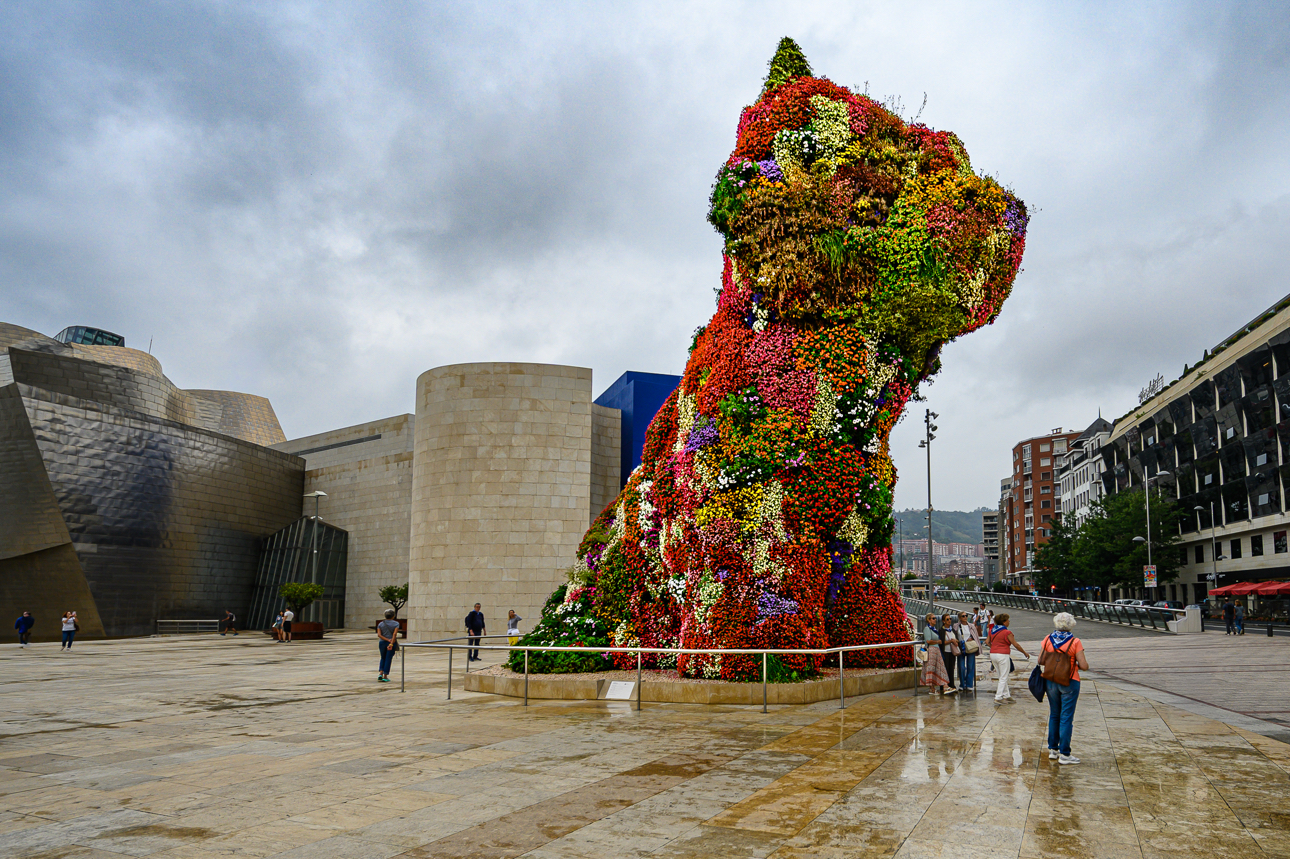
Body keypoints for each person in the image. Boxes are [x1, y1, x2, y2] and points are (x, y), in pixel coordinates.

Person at [1042, 612, 1089, 765]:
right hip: (1069, 681)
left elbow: (1041, 660)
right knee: (1066, 717)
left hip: (1051, 681)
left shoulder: (1048, 639)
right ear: (1071, 624)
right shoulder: (1075, 642)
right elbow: (1084, 666)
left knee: (1054, 715)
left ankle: (1053, 750)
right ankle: (1065, 754)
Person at [988, 613, 1029, 702]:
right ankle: (998, 697)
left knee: (1001, 675)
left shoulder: (992, 630)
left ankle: (1007, 695)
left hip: (993, 654)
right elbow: (1016, 645)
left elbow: (987, 642)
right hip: (1003, 655)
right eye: (1007, 620)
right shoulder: (1007, 632)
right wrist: (1024, 653)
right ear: (1003, 622)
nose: (1009, 622)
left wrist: (994, 647)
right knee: (1004, 677)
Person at [920, 613, 954, 694]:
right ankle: (932, 688)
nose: (935, 620)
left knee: (940, 668)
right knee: (931, 669)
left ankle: (945, 686)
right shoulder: (927, 629)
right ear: (929, 620)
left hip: (936, 651)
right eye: (933, 618)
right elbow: (928, 641)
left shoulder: (934, 629)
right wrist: (938, 641)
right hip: (931, 651)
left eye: (935, 618)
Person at [955, 611, 981, 692]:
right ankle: (962, 684)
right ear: (960, 618)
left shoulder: (971, 626)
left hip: (970, 647)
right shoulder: (956, 626)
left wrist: (972, 639)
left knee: (971, 666)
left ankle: (969, 684)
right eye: (963, 616)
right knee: (961, 667)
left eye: (966, 615)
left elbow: (976, 636)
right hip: (961, 647)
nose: (965, 617)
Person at [376, 609, 400, 683]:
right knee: (388, 659)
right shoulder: (396, 624)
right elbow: (394, 634)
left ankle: (380, 673)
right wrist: (391, 643)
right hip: (391, 642)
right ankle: (385, 675)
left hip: (382, 642)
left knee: (383, 657)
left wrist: (386, 639)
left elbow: (379, 635)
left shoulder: (381, 624)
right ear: (393, 616)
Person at [939, 613, 958, 691]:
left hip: (952, 652)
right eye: (947, 619)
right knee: (945, 669)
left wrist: (954, 641)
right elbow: (941, 642)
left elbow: (956, 639)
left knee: (951, 668)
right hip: (945, 652)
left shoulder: (952, 630)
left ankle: (951, 684)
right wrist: (950, 641)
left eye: (950, 619)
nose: (949, 620)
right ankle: (944, 685)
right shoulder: (941, 630)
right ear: (943, 621)